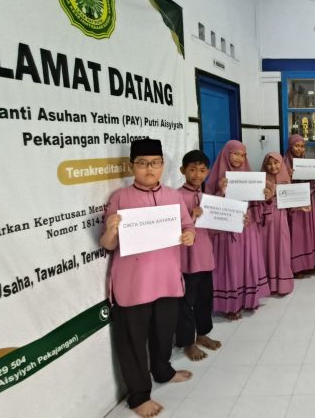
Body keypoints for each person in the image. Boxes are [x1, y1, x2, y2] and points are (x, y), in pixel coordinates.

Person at [100, 138, 195, 418]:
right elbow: (107, 244)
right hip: (134, 284)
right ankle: (139, 396)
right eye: (142, 163)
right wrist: (111, 231)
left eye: (154, 163)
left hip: (166, 280)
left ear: (163, 165)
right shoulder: (120, 198)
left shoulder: (173, 196)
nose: (149, 169)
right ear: (132, 166)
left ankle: (163, 371)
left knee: (163, 334)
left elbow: (188, 226)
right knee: (132, 341)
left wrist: (189, 235)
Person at [206, 141, 270, 319]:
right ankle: (230, 306)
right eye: (235, 154)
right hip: (226, 231)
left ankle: (249, 299)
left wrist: (265, 196)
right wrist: (221, 191)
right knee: (231, 265)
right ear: (226, 154)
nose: (239, 158)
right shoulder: (215, 178)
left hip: (247, 228)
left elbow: (257, 204)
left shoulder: (249, 175)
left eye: (242, 155)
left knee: (248, 263)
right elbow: (209, 207)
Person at [176, 150, 222, 362]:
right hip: (186, 259)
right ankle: (188, 342)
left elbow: (214, 227)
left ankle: (202, 334)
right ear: (182, 170)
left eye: (202, 170)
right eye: (192, 170)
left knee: (204, 298)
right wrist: (191, 216)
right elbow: (171, 228)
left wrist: (235, 220)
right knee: (186, 302)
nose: (197, 174)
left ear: (208, 172)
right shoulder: (175, 196)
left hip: (205, 256)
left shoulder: (207, 198)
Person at [283, 134, 315, 276]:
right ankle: (297, 267)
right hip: (293, 204)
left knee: (308, 231)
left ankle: (310, 263)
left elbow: (314, 184)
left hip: (308, 199)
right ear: (290, 146)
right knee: (297, 234)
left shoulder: (306, 163)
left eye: (302, 146)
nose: (299, 149)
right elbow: (280, 186)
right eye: (296, 146)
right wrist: (288, 176)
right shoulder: (283, 164)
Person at [260, 152, 295, 295]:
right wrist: (268, 197)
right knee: (267, 249)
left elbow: (291, 203)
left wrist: (301, 206)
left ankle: (283, 283)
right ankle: (268, 283)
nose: (273, 166)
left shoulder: (286, 180)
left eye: (276, 163)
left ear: (281, 164)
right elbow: (257, 202)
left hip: (281, 219)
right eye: (269, 163)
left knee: (282, 248)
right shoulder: (260, 180)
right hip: (266, 221)